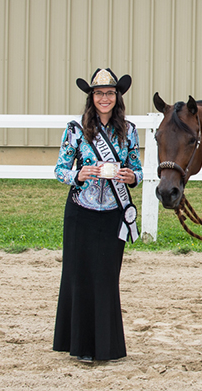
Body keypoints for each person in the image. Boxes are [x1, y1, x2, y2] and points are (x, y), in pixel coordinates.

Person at [53, 68, 143, 363]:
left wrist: (131, 177)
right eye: (99, 93)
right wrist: (79, 173)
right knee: (78, 277)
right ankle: (80, 346)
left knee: (106, 278)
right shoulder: (75, 130)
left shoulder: (129, 131)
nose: (104, 98)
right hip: (81, 213)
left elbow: (138, 170)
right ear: (91, 98)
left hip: (113, 214)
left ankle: (106, 347)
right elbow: (59, 170)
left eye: (110, 93)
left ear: (117, 98)